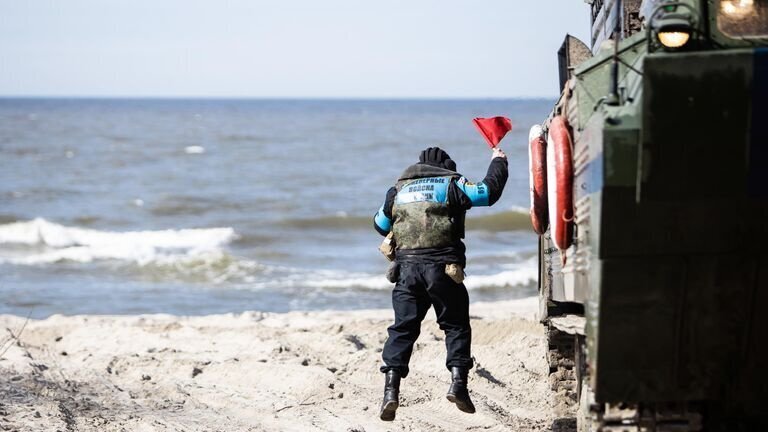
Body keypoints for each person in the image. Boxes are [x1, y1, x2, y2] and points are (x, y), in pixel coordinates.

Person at [373, 146, 508, 421]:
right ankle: (458, 385)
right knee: (456, 326)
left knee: (402, 330)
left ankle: (391, 392)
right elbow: (488, 192)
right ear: (446, 166)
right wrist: (499, 162)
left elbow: (380, 224)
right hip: (443, 270)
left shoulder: (397, 190)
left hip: (406, 272)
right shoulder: (452, 184)